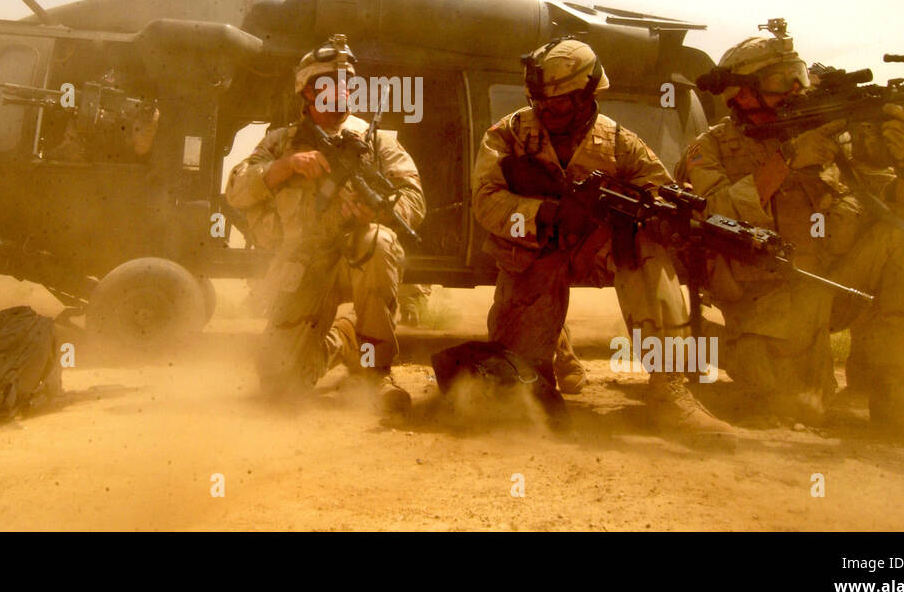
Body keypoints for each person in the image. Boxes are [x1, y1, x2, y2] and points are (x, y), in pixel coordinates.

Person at [676, 21, 904, 429]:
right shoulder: (710, 148)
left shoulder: (829, 139)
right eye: (779, 80)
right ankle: (712, 349)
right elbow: (713, 213)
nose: (795, 89)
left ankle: (893, 384)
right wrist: (786, 161)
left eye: (798, 76)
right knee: (794, 411)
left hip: (835, 286)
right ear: (741, 93)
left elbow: (898, 207)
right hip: (768, 299)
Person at [472, 35, 730, 434]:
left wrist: (669, 215)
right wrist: (547, 214)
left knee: (645, 248)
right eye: (540, 101)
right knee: (520, 390)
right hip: (532, 254)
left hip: (597, 250)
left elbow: (658, 187)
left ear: (587, 94)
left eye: (559, 102)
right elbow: (486, 202)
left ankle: (669, 387)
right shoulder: (508, 134)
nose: (547, 110)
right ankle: (549, 359)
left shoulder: (619, 143)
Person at [225, 35, 426, 414]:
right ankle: (344, 339)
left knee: (378, 242)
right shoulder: (280, 143)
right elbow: (236, 189)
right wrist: (285, 167)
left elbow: (413, 199)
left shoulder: (375, 142)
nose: (339, 96)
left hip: (356, 261)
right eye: (327, 89)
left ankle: (373, 370)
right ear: (306, 93)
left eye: (346, 87)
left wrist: (377, 212)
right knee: (279, 384)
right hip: (302, 266)